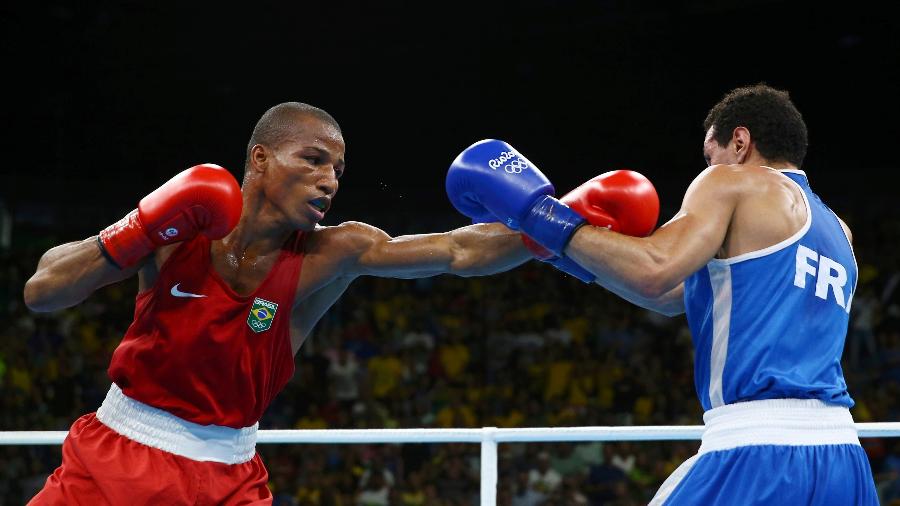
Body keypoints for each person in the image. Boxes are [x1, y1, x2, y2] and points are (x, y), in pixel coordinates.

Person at [22, 102, 546, 504]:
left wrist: (562, 223)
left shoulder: (334, 250)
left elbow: (457, 250)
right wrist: (138, 226)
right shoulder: (182, 230)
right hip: (115, 453)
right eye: (314, 160)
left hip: (230, 474)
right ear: (261, 158)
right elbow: (44, 291)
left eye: (338, 170)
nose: (329, 180)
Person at [446, 84, 878, 504]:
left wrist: (538, 215)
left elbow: (655, 269)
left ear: (740, 141)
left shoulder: (732, 182)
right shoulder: (839, 230)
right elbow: (672, 294)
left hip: (756, 446)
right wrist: (562, 252)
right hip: (842, 453)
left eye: (711, 155)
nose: (708, 167)